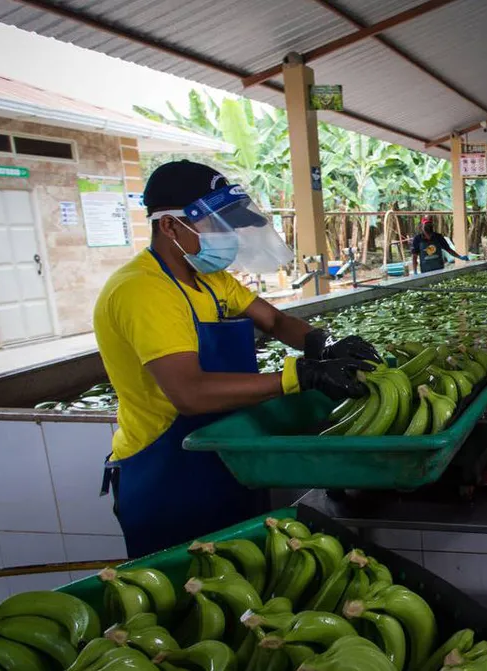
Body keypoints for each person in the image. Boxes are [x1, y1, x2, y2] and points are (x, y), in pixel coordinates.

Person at [94, 160, 379, 558]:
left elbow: (275, 319)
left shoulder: (210, 279)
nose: (226, 235)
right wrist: (300, 376)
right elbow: (189, 393)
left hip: (230, 458)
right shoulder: (143, 291)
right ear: (169, 226)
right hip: (168, 477)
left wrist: (322, 343)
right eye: (214, 224)